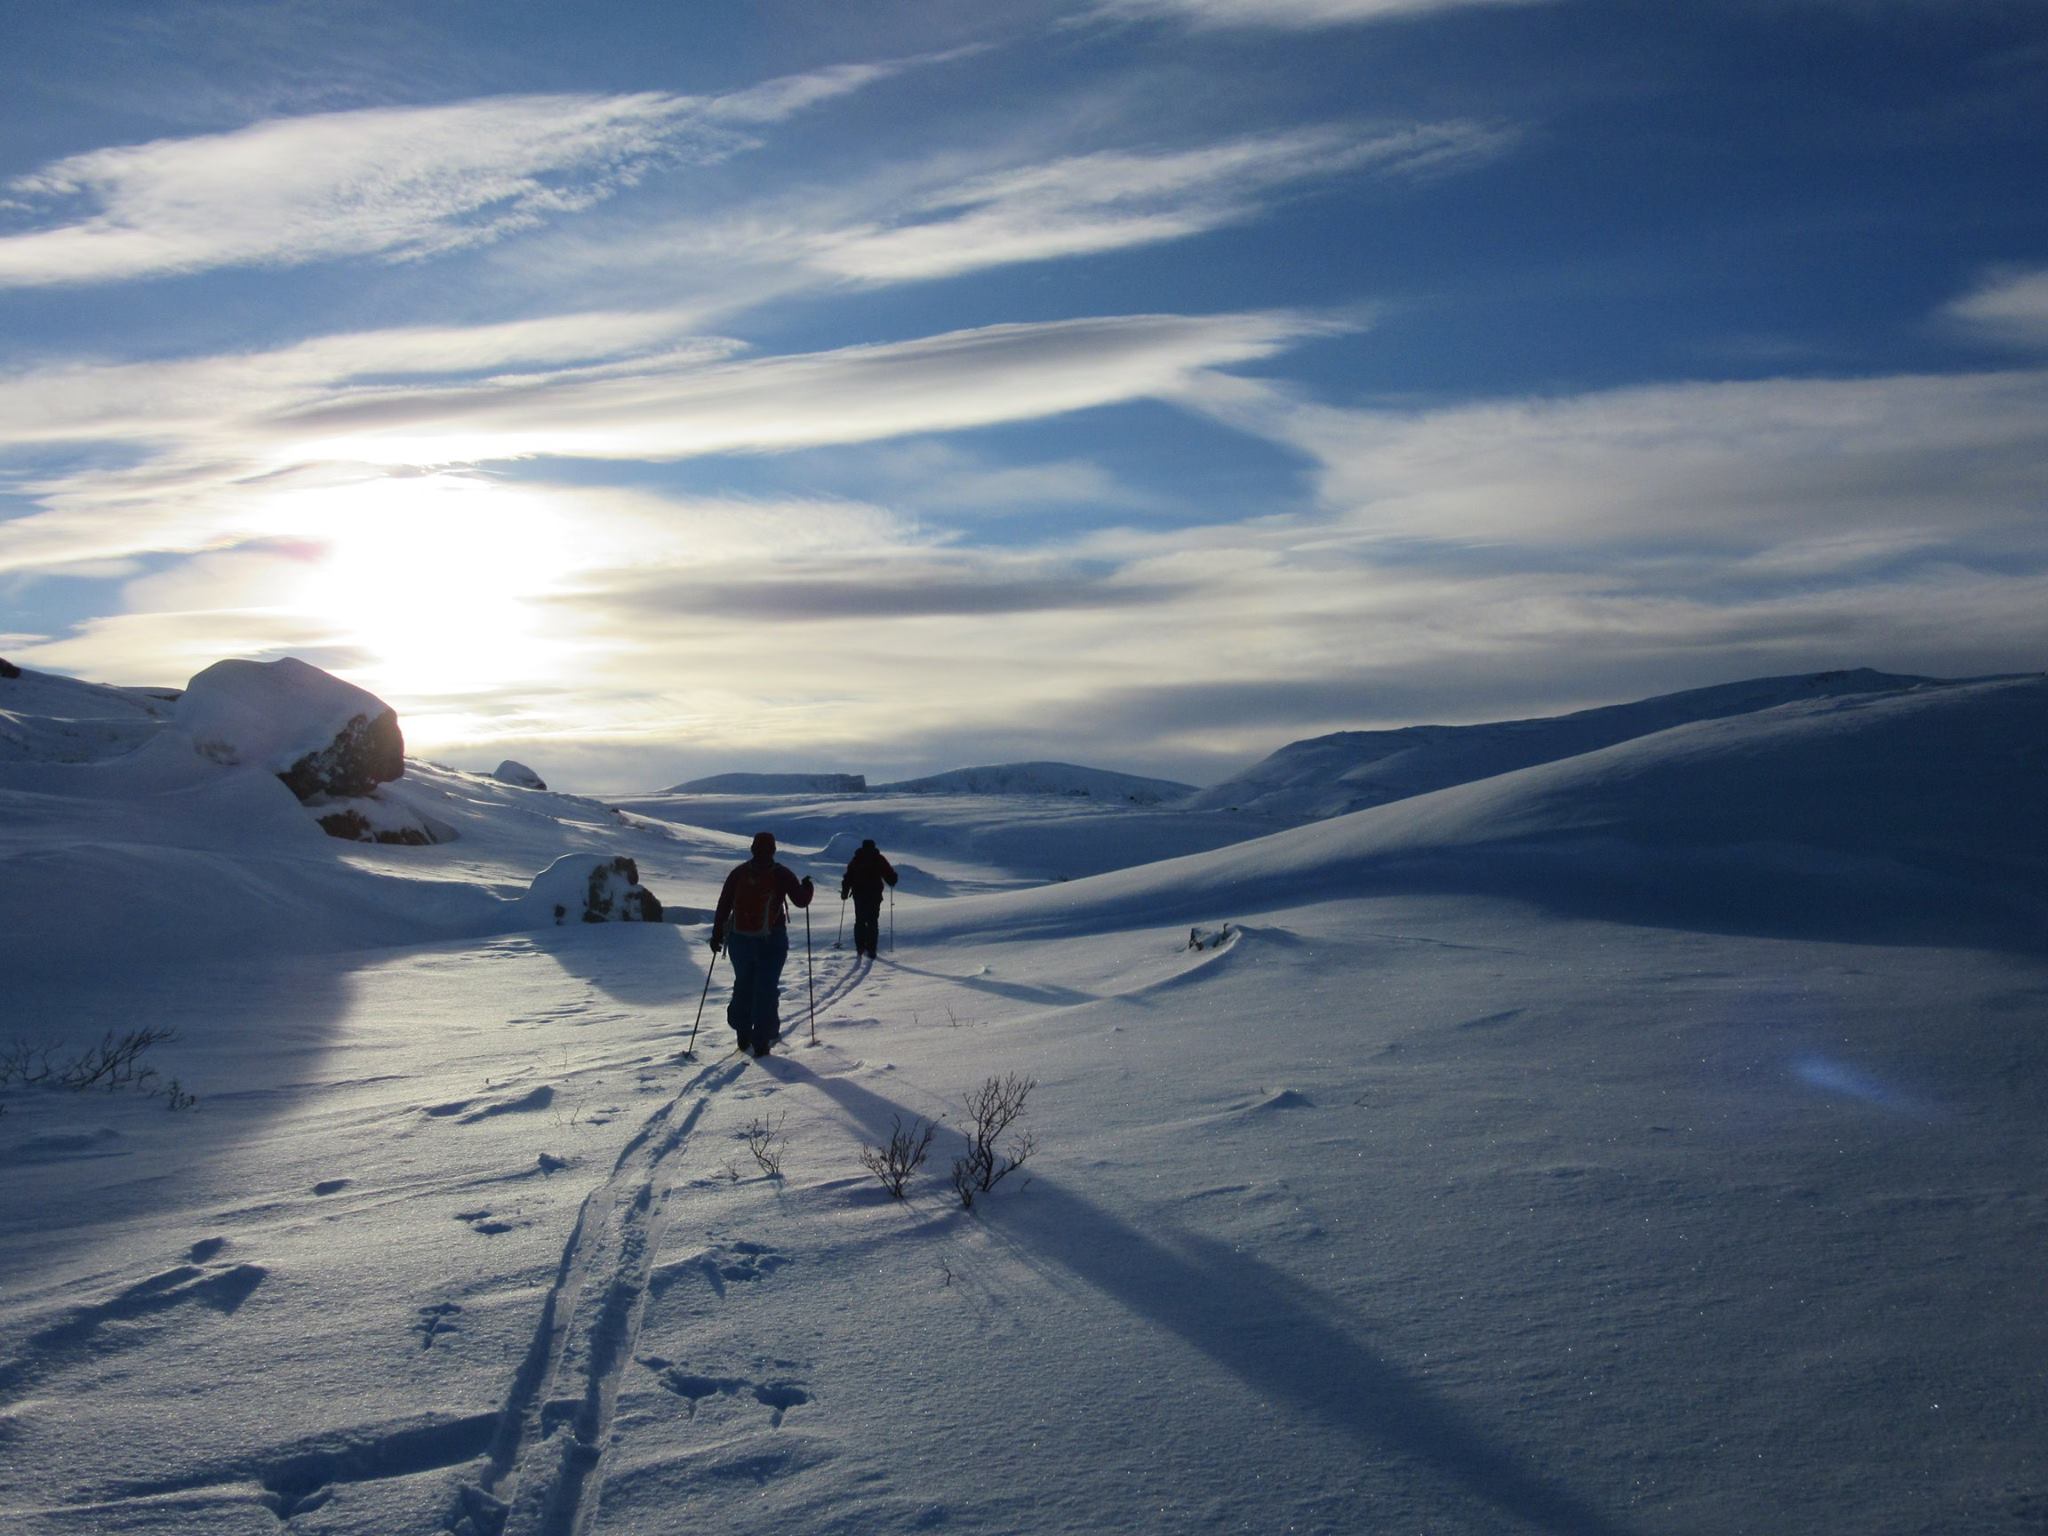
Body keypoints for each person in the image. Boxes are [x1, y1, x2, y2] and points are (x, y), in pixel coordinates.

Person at [709, 832, 814, 1057]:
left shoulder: (739, 873)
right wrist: (808, 887)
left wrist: (717, 933)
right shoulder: (782, 874)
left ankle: (742, 1031)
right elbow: (801, 901)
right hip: (772, 938)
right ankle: (762, 1038)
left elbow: (724, 903)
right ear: (773, 850)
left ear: (752, 848)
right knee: (766, 987)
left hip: (740, 939)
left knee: (744, 983)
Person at [839, 837, 898, 959]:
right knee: (872, 921)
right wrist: (892, 879)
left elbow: (848, 877)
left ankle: (860, 947)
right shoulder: (878, 859)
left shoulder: (856, 859)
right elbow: (889, 874)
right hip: (874, 894)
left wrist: (845, 892)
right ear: (874, 846)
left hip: (859, 894)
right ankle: (871, 949)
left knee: (860, 920)